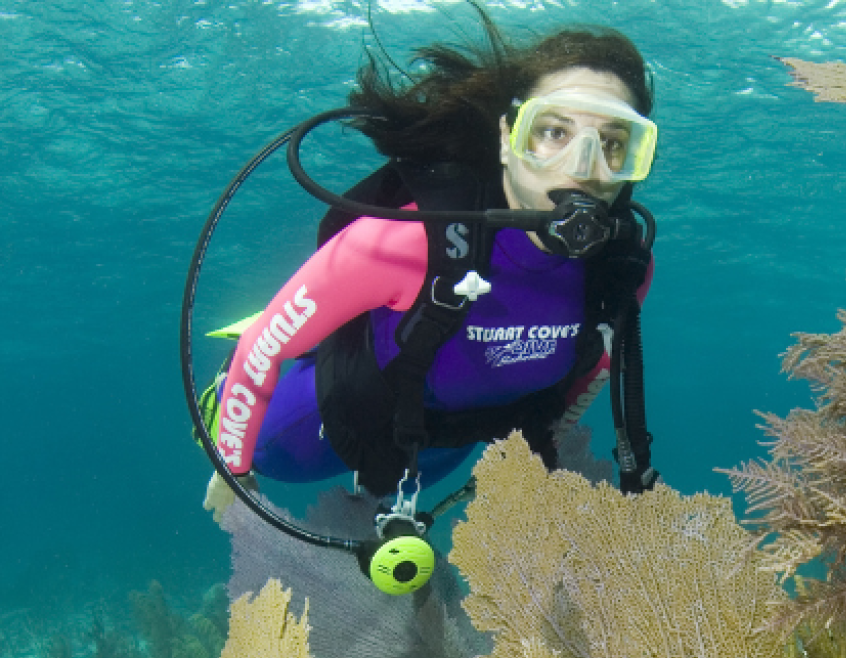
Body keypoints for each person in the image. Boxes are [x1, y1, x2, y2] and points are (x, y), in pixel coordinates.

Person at [203, 12, 659, 522]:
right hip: (323, 420)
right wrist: (232, 468)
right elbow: (261, 347)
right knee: (269, 456)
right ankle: (252, 368)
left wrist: (536, 453)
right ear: (508, 138)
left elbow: (591, 368)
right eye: (554, 131)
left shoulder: (622, 271)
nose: (582, 166)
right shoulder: (406, 239)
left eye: (615, 143)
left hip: (445, 443)